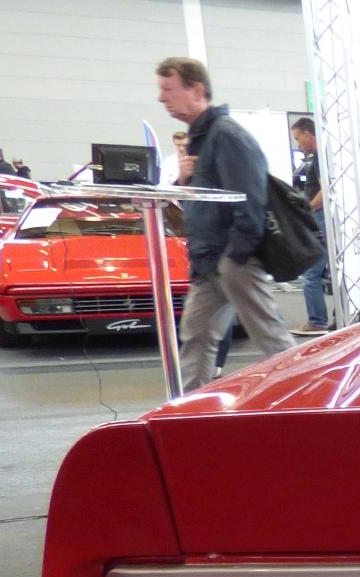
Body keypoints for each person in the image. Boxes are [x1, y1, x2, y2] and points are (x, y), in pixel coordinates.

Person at [155, 55, 294, 392]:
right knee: (196, 338)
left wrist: (237, 254)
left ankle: (311, 399)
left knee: (272, 339)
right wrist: (184, 182)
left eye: (168, 89)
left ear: (197, 89)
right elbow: (206, 201)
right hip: (209, 261)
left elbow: (250, 197)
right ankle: (189, 411)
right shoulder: (202, 138)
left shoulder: (227, 135)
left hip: (231, 260)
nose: (161, 98)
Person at [289, 117, 331, 336]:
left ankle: (317, 321)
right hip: (320, 219)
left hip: (319, 219)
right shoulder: (320, 157)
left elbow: (325, 192)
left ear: (308, 134)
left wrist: (307, 209)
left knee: (310, 273)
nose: (298, 144)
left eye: (298, 138)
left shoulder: (319, 159)